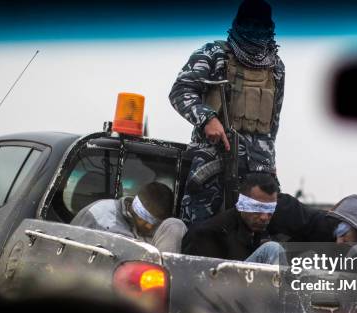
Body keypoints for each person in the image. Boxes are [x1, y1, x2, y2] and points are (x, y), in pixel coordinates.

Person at [170, 0, 285, 224]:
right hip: (212, 158)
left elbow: (273, 120)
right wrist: (208, 119)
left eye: (262, 25)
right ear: (239, 23)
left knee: (251, 233)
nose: (256, 31)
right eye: (250, 24)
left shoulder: (276, 67)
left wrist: (270, 163)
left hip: (257, 170)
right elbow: (180, 91)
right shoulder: (213, 53)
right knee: (198, 227)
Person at [182, 172, 286, 266]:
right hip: (218, 283)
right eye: (257, 208)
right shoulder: (211, 233)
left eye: (270, 209)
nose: (264, 217)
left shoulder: (260, 228)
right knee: (273, 250)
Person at [70, 182, 187, 253]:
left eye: (156, 222)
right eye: (146, 220)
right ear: (134, 210)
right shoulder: (101, 215)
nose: (150, 226)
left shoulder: (163, 228)